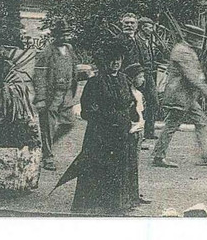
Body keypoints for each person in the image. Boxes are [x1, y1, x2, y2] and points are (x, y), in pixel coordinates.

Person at [70, 39, 137, 215]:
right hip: (101, 133)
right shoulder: (96, 82)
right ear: (105, 60)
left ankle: (117, 203)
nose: (115, 63)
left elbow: (130, 101)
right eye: (112, 59)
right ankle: (96, 203)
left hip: (121, 131)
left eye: (119, 60)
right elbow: (87, 110)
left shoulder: (123, 79)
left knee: (119, 167)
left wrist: (131, 117)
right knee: (100, 166)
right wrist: (106, 119)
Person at [152, 33, 207, 168]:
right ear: (191, 38)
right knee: (172, 124)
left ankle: (205, 154)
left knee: (200, 121)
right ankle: (158, 156)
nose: (201, 42)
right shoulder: (182, 51)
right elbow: (191, 76)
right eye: (199, 39)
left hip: (187, 96)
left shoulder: (187, 50)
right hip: (179, 95)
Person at [34, 20, 79, 171]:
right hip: (51, 95)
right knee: (48, 126)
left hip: (66, 93)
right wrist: (40, 98)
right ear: (55, 36)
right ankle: (48, 157)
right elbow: (39, 75)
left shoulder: (70, 49)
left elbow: (73, 68)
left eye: (67, 34)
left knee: (69, 123)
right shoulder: (47, 52)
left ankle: (48, 146)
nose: (65, 37)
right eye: (62, 34)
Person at [122, 62, 151, 210]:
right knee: (130, 165)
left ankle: (134, 194)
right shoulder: (129, 94)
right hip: (131, 132)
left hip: (139, 131)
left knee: (135, 165)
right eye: (140, 76)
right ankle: (129, 196)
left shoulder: (139, 93)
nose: (143, 79)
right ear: (132, 78)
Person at [135, 17, 162, 144]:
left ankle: (149, 131)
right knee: (135, 103)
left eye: (151, 27)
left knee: (153, 102)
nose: (150, 30)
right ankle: (137, 131)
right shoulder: (136, 40)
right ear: (141, 27)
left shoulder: (148, 40)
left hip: (150, 74)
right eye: (148, 27)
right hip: (139, 75)